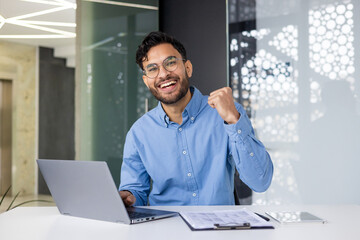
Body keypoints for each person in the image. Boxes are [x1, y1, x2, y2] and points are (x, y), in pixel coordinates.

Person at [119, 31, 273, 206]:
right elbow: (135, 192)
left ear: (188, 68)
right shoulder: (139, 133)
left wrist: (233, 120)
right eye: (153, 69)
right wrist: (129, 197)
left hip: (219, 230)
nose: (163, 74)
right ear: (147, 81)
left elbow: (260, 181)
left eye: (170, 63)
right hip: (166, 230)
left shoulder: (225, 113)